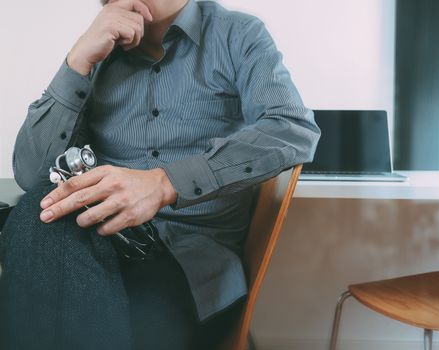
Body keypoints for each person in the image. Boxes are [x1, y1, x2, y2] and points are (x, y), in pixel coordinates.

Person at [0, 0, 320, 348]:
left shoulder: (238, 35)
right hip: (96, 252)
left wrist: (164, 184)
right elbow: (32, 174)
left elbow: (291, 130)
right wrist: (76, 63)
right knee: (41, 208)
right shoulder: (99, 50)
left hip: (188, 267)